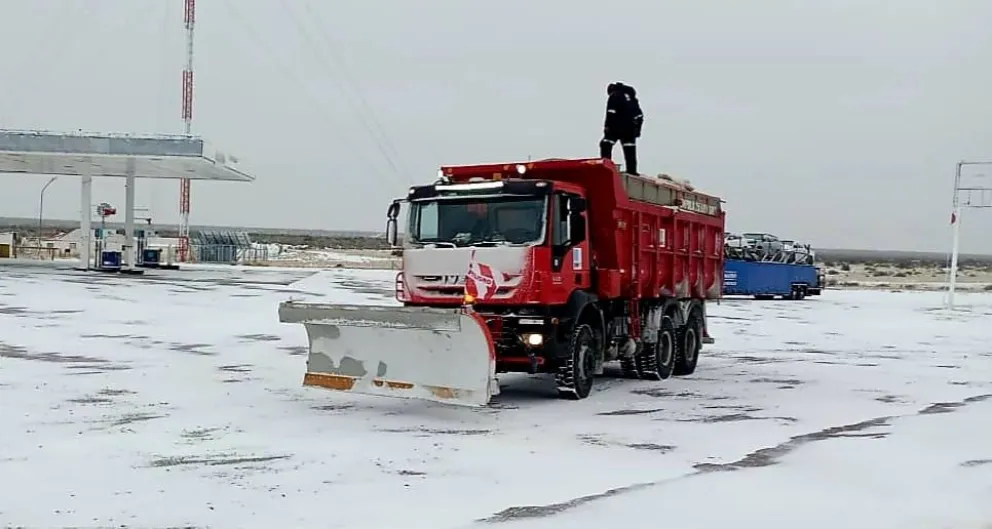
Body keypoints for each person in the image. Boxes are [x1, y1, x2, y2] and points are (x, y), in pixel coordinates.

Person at [599, 82, 644, 175]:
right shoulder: (631, 97)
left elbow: (611, 113)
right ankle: (632, 171)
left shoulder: (614, 95)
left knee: (605, 144)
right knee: (629, 149)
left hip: (616, 127)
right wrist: (637, 130)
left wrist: (607, 128)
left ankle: (606, 168)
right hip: (630, 129)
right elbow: (639, 115)